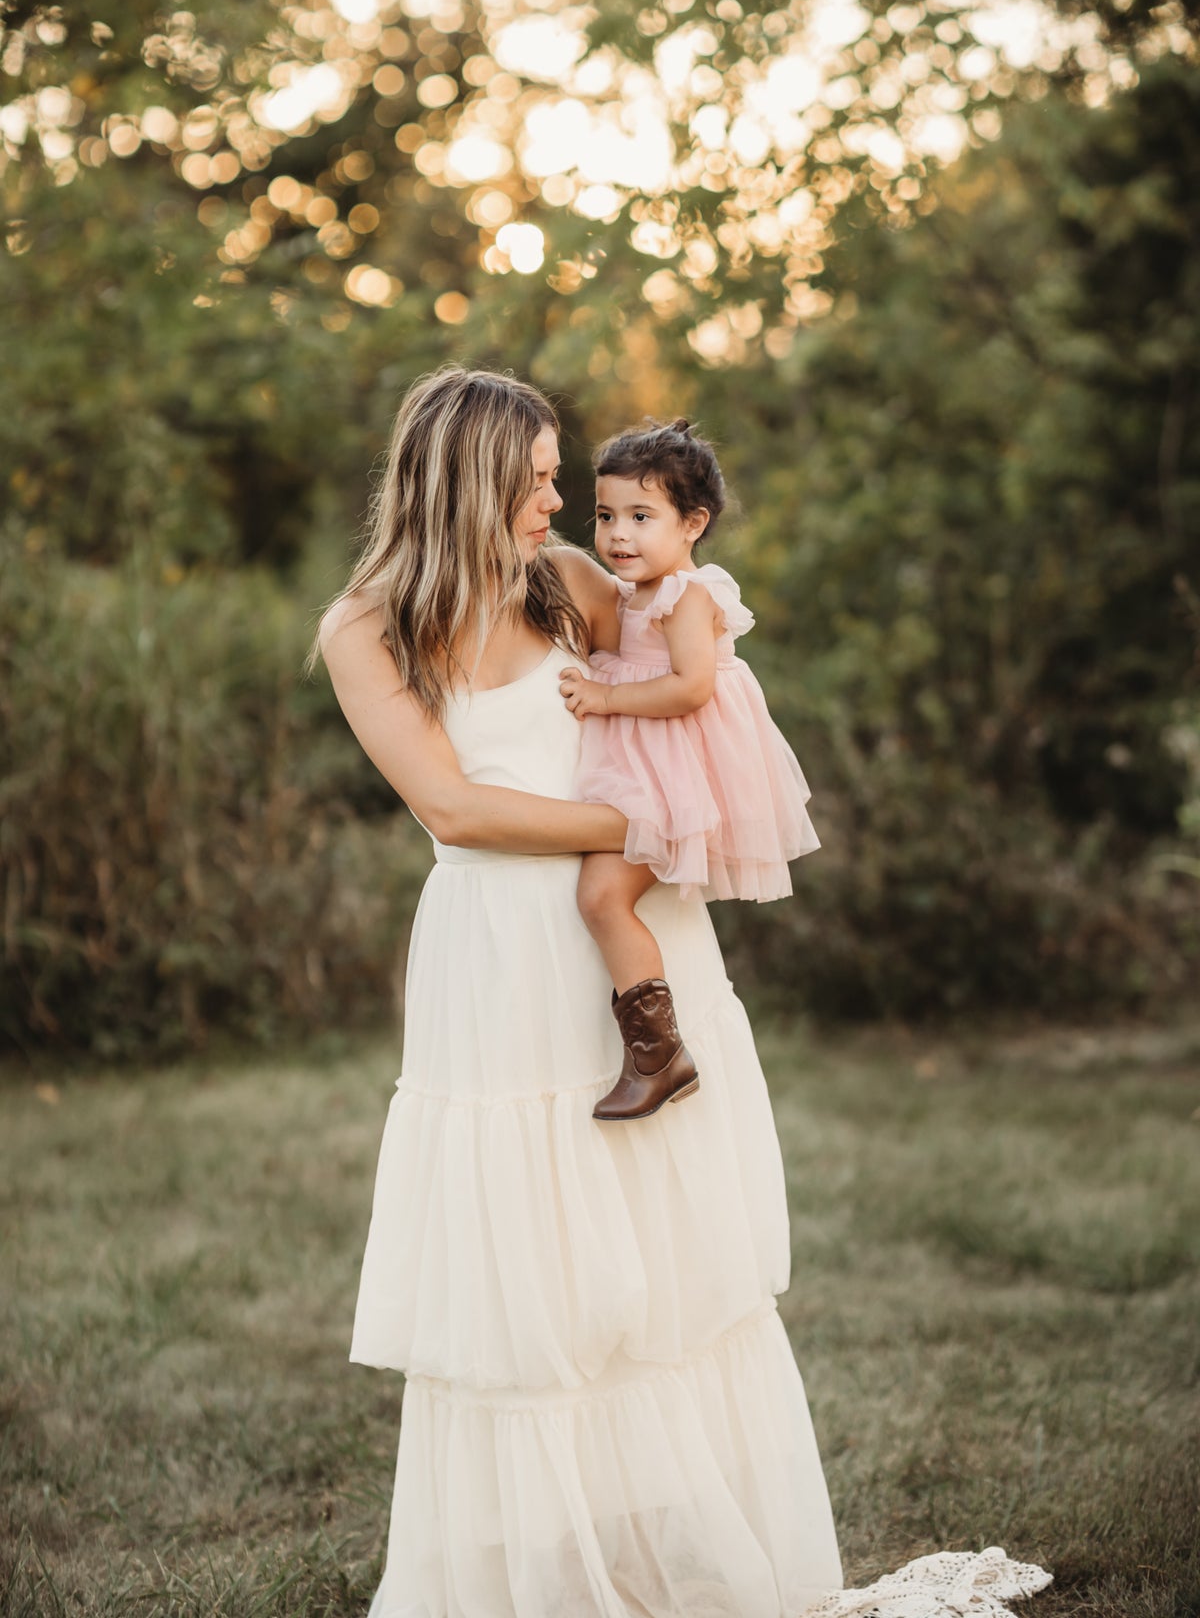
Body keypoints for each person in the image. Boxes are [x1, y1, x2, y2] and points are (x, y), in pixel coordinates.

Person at [314, 363, 1051, 1618]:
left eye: (562, 481)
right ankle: (549, 1579)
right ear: (471, 480)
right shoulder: (366, 629)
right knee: (538, 1283)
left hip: (631, 944)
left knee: (658, 1266)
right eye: (540, 481)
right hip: (499, 961)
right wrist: (648, 831)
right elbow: (453, 806)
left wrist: (699, 813)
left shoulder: (572, 589)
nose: (561, 505)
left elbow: (690, 695)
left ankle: (683, 1560)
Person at [558, 418, 821, 1123]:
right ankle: (655, 1052)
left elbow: (690, 688)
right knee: (598, 895)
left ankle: (658, 1055)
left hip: (686, 769)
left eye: (642, 517)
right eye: (607, 515)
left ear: (693, 523)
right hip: (648, 761)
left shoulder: (688, 595)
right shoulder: (633, 593)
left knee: (602, 896)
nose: (618, 534)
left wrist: (607, 695)